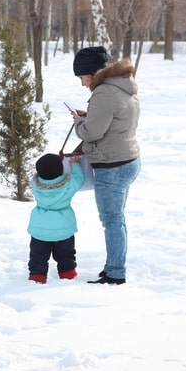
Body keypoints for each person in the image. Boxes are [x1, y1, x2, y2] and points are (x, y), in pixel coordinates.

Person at [71, 46, 140, 285]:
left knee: (112, 220)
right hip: (127, 158)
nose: (82, 83)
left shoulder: (104, 93)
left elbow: (92, 132)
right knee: (116, 218)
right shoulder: (122, 86)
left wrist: (81, 123)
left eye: (82, 77)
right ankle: (114, 266)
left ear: (93, 72)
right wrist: (89, 116)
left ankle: (115, 273)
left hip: (112, 164)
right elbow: (113, 120)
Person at [27, 153, 85, 284]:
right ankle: (68, 273)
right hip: (63, 229)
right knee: (66, 254)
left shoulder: (35, 184)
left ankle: (37, 276)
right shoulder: (68, 185)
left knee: (38, 255)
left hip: (40, 230)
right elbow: (79, 179)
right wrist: (75, 165)